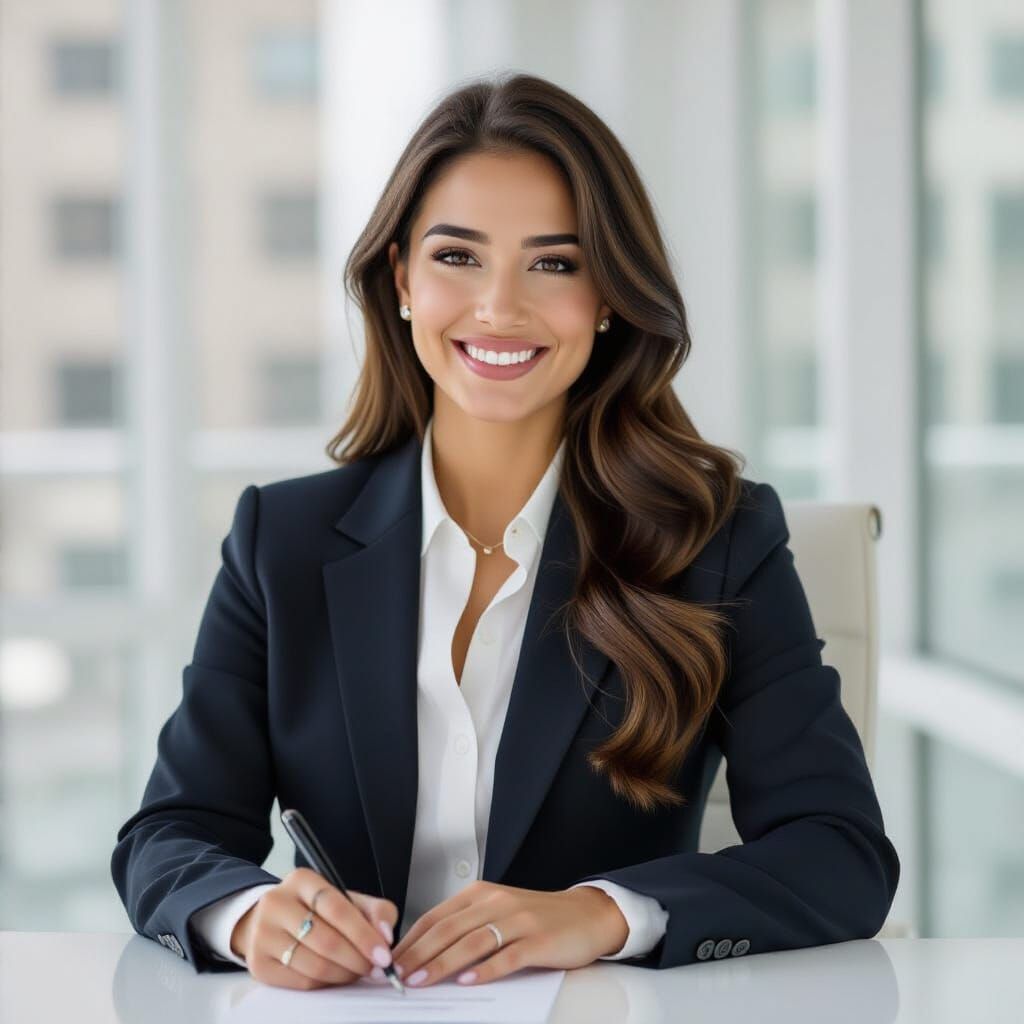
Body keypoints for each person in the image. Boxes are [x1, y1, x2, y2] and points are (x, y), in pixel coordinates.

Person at [111, 71, 900, 991]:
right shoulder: (280, 541)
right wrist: (251, 916)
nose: (498, 307)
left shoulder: (718, 540)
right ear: (402, 278)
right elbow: (171, 834)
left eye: (554, 264)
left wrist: (598, 914)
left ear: (608, 296)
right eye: (458, 256)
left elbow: (839, 852)